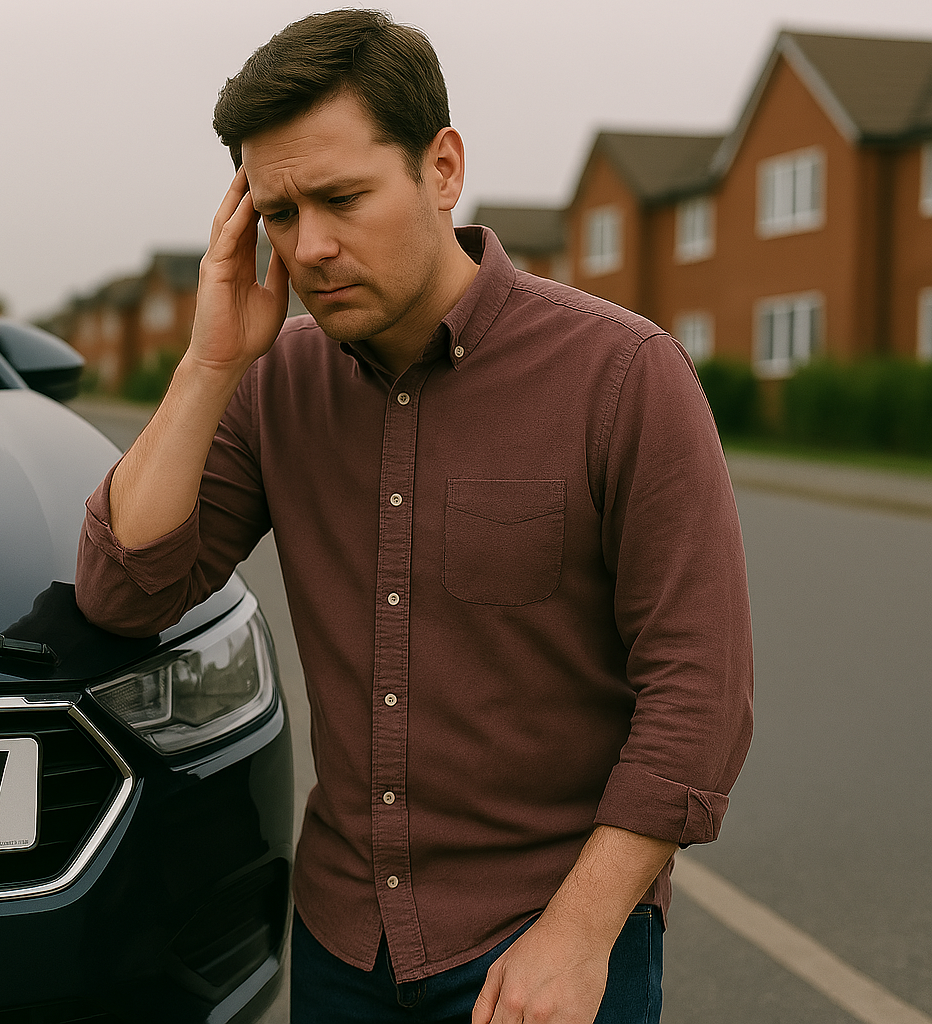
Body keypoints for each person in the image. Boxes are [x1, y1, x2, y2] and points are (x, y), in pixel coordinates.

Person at [74, 10, 753, 1023]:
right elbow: (124, 593)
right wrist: (212, 362)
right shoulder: (272, 382)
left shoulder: (622, 374)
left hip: (546, 944)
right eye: (279, 213)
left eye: (343, 198)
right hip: (343, 943)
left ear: (442, 169)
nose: (312, 247)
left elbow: (700, 693)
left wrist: (577, 936)